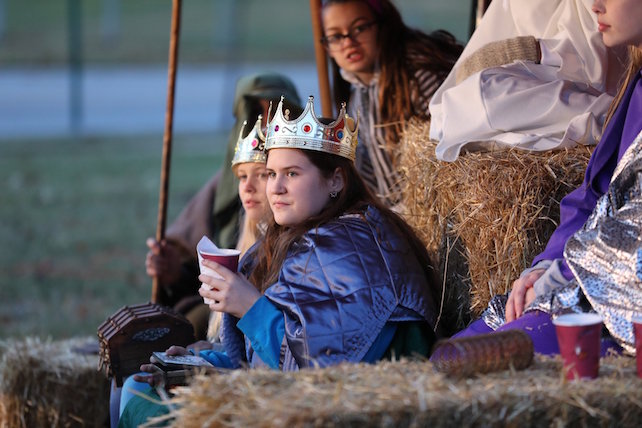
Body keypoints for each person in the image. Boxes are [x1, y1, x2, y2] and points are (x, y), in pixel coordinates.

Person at [118, 96, 443, 426]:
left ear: (336, 181)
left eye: (292, 173)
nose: (276, 188)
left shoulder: (353, 248)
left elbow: (321, 376)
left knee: (144, 407)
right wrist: (203, 362)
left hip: (347, 411)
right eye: (271, 174)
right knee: (137, 386)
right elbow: (269, 360)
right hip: (290, 397)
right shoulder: (305, 237)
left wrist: (248, 305)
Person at [447, 0, 642, 357]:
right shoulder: (635, 86)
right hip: (582, 276)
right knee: (448, 354)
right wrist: (545, 266)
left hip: (618, 300)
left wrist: (565, 276)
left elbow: (634, 229)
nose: (595, 5)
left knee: (472, 363)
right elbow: (594, 193)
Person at [111, 116, 272, 428]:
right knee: (130, 383)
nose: (248, 187)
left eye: (262, 174)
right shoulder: (247, 242)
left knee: (138, 392)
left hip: (262, 386)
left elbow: (273, 355)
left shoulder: (293, 252)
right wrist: (198, 359)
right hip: (232, 367)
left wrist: (210, 359)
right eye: (241, 177)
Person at [144, 72, 301, 340]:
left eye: (276, 111)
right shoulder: (226, 187)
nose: (265, 121)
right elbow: (202, 276)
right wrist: (174, 272)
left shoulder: (303, 196)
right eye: (254, 112)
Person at [429, 0, 627, 162]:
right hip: (529, 76)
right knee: (467, 100)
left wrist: (533, 50)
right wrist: (497, 58)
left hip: (579, 79)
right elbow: (487, 47)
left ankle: (617, 117)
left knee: (487, 95)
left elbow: (595, 47)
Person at [320, 0, 462, 205]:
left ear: (383, 24)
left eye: (359, 28)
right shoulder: (358, 95)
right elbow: (367, 172)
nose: (348, 42)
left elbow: (453, 157)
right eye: (335, 36)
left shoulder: (419, 75)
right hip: (398, 220)